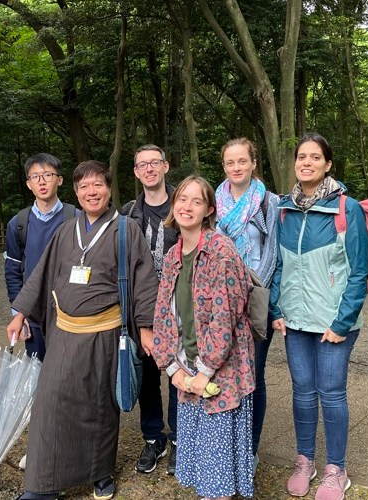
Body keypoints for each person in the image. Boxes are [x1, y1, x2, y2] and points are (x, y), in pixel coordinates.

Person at [7, 160, 157, 500]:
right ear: (76, 192)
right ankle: (42, 485)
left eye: (98, 185)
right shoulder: (66, 230)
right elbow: (41, 274)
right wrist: (20, 313)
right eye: (84, 186)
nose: (92, 192)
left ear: (109, 188)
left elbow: (145, 281)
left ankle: (100, 473)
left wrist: (145, 327)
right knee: (50, 404)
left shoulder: (126, 230)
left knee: (99, 407)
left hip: (104, 334)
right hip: (64, 333)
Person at [269, 133, 368, 500]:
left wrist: (342, 322)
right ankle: (305, 461)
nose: (306, 162)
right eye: (301, 156)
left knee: (331, 393)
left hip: (333, 323)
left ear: (328, 164)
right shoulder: (284, 209)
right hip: (295, 321)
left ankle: (336, 469)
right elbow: (279, 265)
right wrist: (276, 308)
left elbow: (359, 272)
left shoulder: (347, 208)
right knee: (302, 393)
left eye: (315, 157)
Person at [152, 175, 255, 500]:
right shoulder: (173, 256)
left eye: (196, 201)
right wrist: (172, 368)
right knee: (202, 463)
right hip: (187, 373)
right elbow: (163, 315)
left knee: (218, 470)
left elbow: (225, 318)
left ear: (209, 209)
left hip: (219, 374)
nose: (187, 207)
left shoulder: (220, 252)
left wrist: (205, 372)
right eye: (182, 199)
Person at [215, 137, 279, 467]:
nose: (236, 167)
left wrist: (250, 289)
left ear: (254, 163)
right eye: (230, 162)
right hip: (221, 303)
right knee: (222, 374)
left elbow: (273, 253)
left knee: (253, 376)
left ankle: (249, 449)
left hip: (255, 300)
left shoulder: (268, 202)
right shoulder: (214, 201)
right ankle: (226, 445)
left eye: (242, 161)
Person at [121, 144, 179, 475]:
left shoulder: (182, 205)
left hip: (177, 306)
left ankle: (180, 438)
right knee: (147, 377)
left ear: (165, 166)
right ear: (136, 172)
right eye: (142, 164)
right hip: (140, 307)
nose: (149, 169)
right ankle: (154, 437)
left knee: (178, 374)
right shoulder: (128, 213)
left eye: (155, 162)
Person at [4, 153, 77, 363]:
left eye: (47, 175)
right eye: (35, 177)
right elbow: (13, 271)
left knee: (69, 372)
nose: (42, 181)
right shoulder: (18, 224)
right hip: (34, 316)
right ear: (29, 184)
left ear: (59, 180)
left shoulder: (76, 218)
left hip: (69, 315)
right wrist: (18, 314)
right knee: (37, 372)